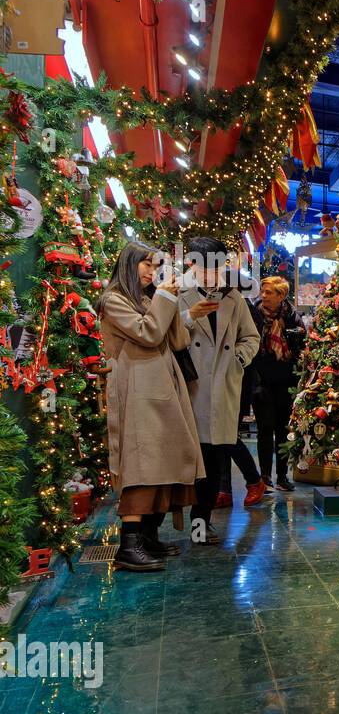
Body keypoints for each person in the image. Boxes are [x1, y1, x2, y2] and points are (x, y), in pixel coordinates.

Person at [98, 242, 209, 571]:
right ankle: (128, 546)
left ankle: (146, 537)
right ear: (129, 265)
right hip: (137, 392)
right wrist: (164, 298)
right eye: (145, 264)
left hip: (160, 390)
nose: (151, 271)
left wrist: (170, 300)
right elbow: (148, 334)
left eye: (155, 265)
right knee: (141, 464)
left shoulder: (146, 299)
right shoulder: (113, 300)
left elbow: (176, 340)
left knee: (162, 462)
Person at [178, 236, 260, 544]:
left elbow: (251, 337)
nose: (214, 274)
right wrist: (190, 317)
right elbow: (164, 333)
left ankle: (202, 525)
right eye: (208, 267)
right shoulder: (177, 294)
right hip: (190, 386)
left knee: (213, 461)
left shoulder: (232, 297)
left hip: (223, 385)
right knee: (191, 462)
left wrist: (237, 359)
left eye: (219, 266)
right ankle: (173, 525)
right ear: (193, 265)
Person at [247, 275, 305, 491]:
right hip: (261, 380)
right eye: (262, 291)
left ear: (281, 295)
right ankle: (264, 477)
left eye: (269, 292)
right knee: (264, 428)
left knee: (282, 428)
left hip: (286, 379)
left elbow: (300, 348)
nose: (263, 296)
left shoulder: (292, 317)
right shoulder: (254, 315)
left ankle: (282, 476)